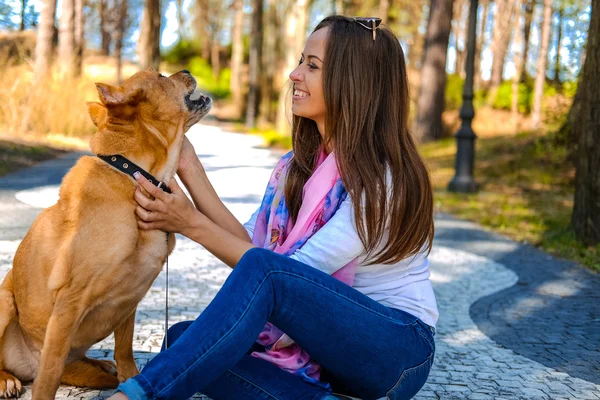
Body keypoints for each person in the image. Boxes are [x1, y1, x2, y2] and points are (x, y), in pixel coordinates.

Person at [108, 15, 438, 400]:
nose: (294, 74)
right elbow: (251, 248)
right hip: (326, 351)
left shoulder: (384, 177)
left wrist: (190, 223)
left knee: (213, 332)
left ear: (354, 82)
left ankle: (136, 395)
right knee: (184, 342)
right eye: (301, 61)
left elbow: (283, 273)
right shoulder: (297, 166)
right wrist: (189, 167)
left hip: (394, 351)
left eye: (311, 66)